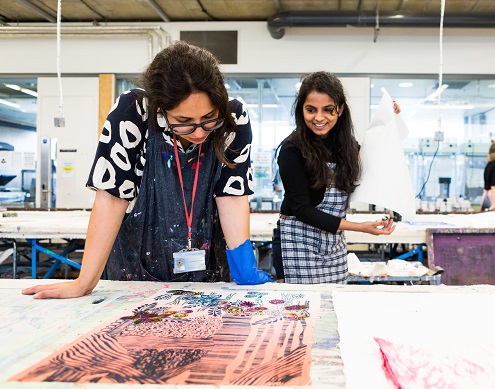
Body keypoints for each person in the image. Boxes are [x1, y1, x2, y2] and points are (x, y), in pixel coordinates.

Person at [23, 41, 271, 299]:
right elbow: (111, 196)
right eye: (184, 122)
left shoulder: (233, 119)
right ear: (161, 108)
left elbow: (232, 194)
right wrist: (84, 282)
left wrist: (244, 270)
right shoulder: (133, 113)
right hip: (134, 272)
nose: (199, 132)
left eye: (209, 118)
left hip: (208, 274)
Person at [272, 71, 396, 284]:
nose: (319, 118)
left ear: (340, 110)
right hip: (298, 242)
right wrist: (360, 227)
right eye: (311, 110)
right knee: (302, 312)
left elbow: (378, 161)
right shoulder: (292, 150)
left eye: (328, 110)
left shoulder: (348, 147)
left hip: (333, 244)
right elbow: (303, 210)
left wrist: (389, 121)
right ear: (301, 110)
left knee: (334, 306)